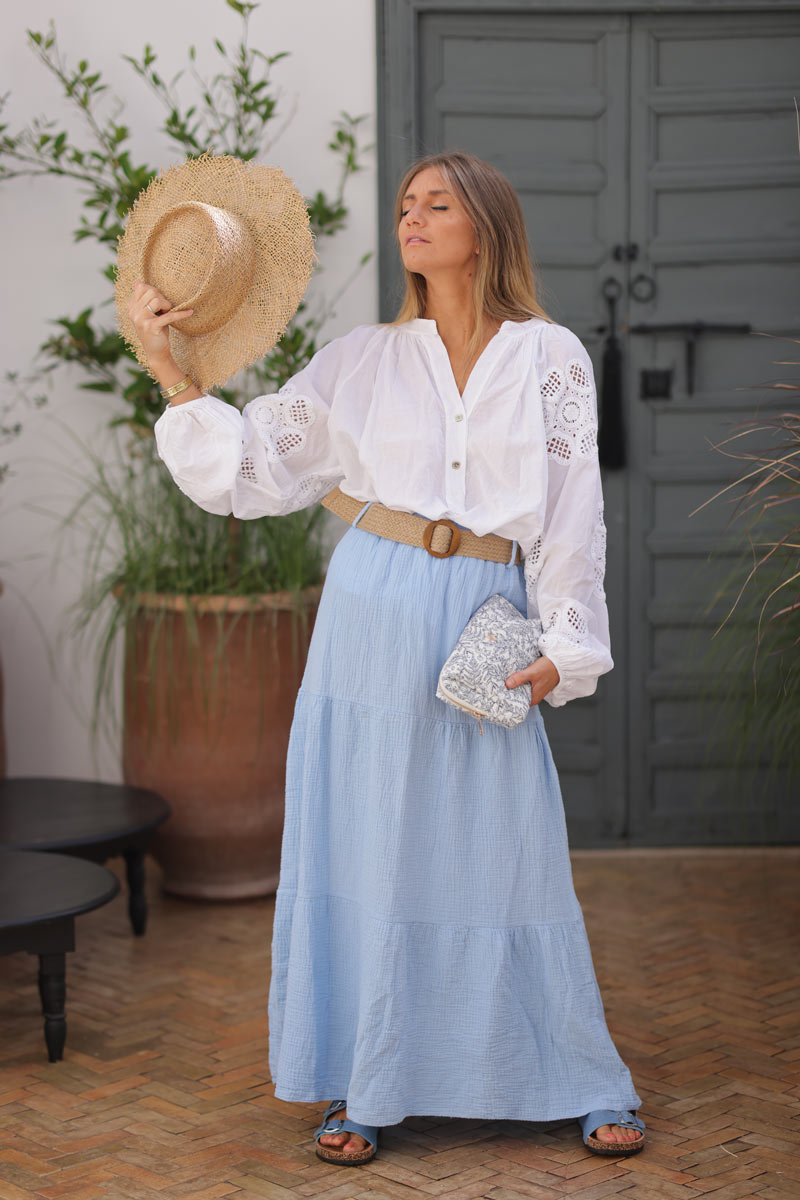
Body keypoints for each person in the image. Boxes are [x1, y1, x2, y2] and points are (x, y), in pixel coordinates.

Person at [128, 149, 646, 1164]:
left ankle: (577, 1071)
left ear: (486, 225)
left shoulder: (551, 357)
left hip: (483, 614)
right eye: (404, 203)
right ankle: (361, 1081)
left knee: (508, 854)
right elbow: (252, 471)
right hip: (368, 613)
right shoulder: (360, 356)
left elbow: (571, 511)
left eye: (435, 203)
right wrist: (169, 370)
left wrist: (567, 641)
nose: (411, 217)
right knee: (366, 844)